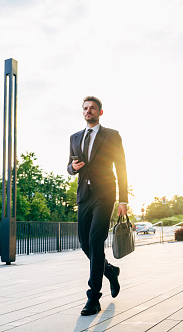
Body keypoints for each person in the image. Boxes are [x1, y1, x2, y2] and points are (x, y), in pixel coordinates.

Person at [67, 96, 128, 316]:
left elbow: (121, 167)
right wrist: (72, 167)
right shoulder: (74, 137)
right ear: (82, 112)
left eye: (92, 108)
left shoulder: (112, 135)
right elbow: (70, 166)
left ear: (100, 112)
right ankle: (110, 271)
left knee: (95, 240)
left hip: (105, 194)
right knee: (85, 243)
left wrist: (123, 199)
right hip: (84, 195)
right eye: (85, 108)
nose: (88, 111)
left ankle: (93, 298)